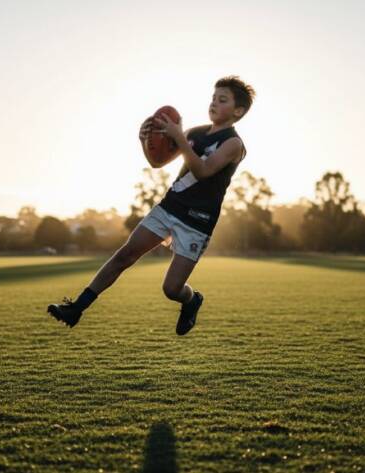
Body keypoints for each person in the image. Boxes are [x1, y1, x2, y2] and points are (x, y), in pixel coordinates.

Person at [47, 76, 255, 335]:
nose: (213, 103)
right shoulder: (194, 133)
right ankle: (77, 307)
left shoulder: (234, 144)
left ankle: (192, 300)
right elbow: (157, 162)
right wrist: (145, 140)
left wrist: (179, 137)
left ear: (238, 111)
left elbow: (202, 171)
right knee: (125, 255)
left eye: (222, 100)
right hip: (171, 206)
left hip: (198, 220)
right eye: (213, 98)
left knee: (171, 289)